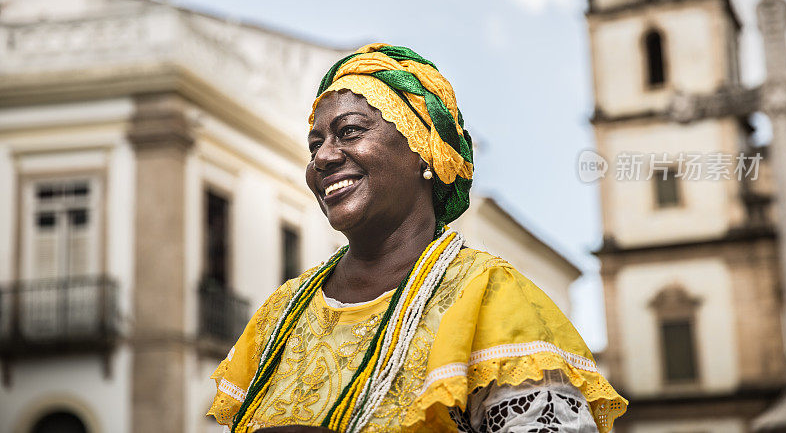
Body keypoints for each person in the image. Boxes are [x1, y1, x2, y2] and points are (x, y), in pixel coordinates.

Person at [207, 44, 627, 432]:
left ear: (424, 150)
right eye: (315, 143)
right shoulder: (280, 312)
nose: (323, 157)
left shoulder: (489, 296)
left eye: (350, 131)